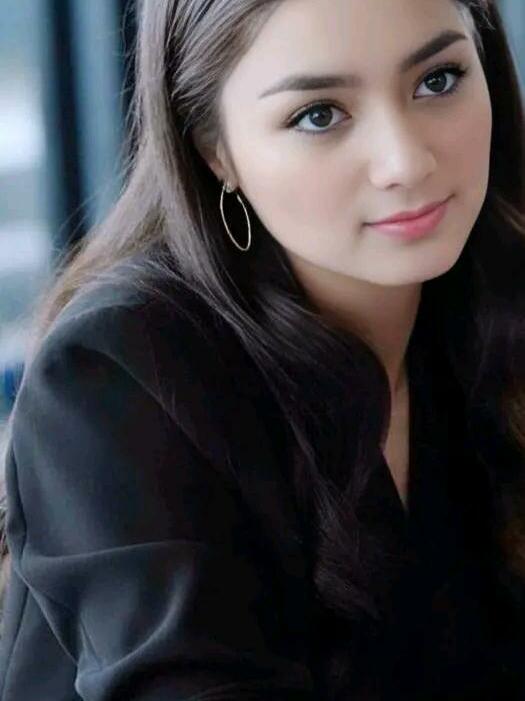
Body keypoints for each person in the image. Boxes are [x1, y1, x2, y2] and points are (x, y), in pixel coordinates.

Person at [0, 0, 524, 698]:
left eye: (437, 79)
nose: (405, 160)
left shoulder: (490, 298)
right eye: (319, 115)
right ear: (215, 151)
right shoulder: (119, 374)